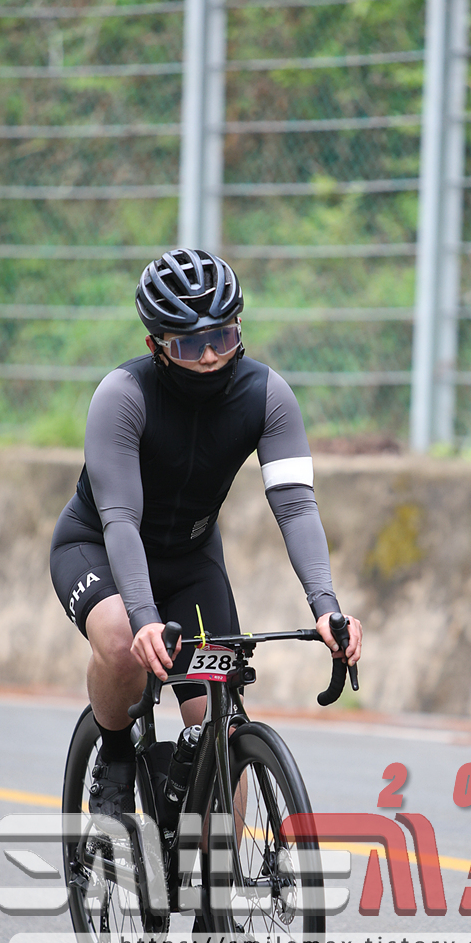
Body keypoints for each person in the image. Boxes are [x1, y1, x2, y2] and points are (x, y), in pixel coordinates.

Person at [49, 248, 363, 825]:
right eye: (191, 345)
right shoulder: (122, 395)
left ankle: (215, 873)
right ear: (156, 346)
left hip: (191, 562)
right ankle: (114, 757)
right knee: (121, 640)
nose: (212, 354)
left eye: (223, 335)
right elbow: (120, 519)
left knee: (221, 729)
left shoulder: (267, 394)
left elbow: (296, 506)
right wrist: (145, 619)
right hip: (99, 547)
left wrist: (327, 608)